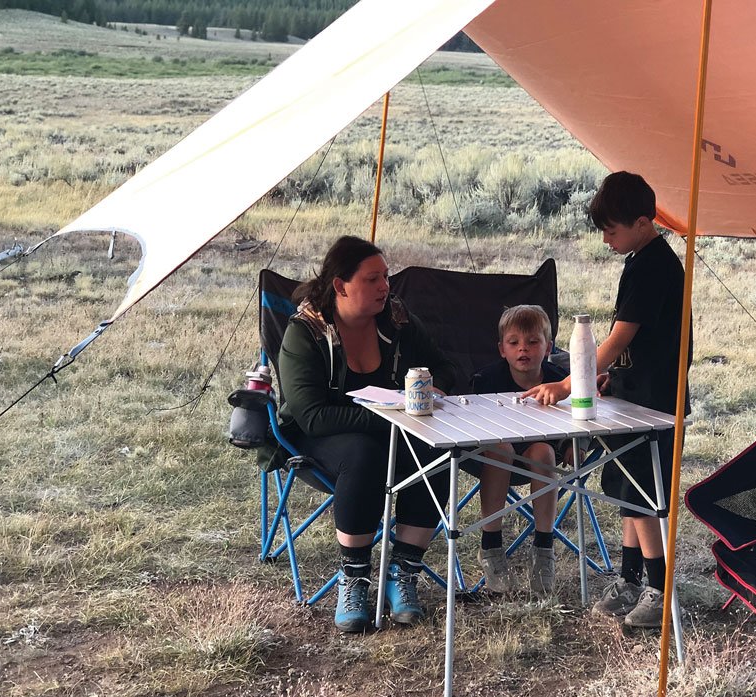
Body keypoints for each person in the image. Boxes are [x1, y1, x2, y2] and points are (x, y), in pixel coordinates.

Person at [523, 171, 691, 630]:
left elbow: (620, 337)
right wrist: (610, 379)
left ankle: (657, 589)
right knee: (625, 491)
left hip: (656, 402)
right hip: (633, 394)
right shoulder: (639, 260)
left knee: (645, 497)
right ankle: (630, 579)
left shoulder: (655, 264)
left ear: (642, 222)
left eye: (611, 230)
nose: (605, 239)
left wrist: (569, 384)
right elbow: (631, 347)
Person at [276, 236, 456, 633]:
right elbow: (311, 416)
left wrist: (434, 388)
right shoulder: (304, 332)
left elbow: (444, 366)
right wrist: (392, 417)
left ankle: (403, 571)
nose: (385, 287)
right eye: (373, 279)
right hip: (319, 438)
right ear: (341, 286)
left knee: (438, 451)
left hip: (394, 430)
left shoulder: (397, 319)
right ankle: (354, 577)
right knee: (364, 455)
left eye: (386, 278)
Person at [470, 305, 568, 596]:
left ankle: (544, 549)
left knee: (543, 453)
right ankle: (491, 548)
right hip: (493, 456)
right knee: (500, 449)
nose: (523, 349)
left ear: (548, 347)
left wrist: (576, 447)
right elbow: (472, 424)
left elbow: (578, 414)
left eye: (533, 342)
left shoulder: (560, 380)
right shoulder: (485, 381)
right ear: (502, 349)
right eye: (514, 343)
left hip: (542, 453)